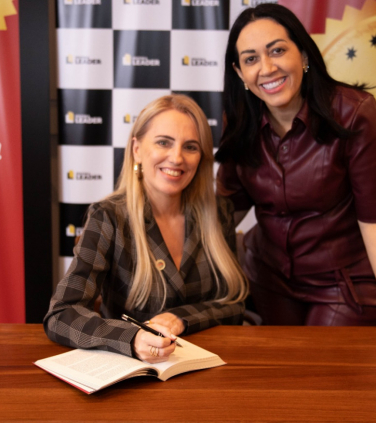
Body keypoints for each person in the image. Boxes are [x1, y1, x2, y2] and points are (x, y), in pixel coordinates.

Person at [215, 3, 376, 332]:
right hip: (268, 279)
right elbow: (226, 209)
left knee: (320, 378)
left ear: (303, 54)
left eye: (278, 51)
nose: (267, 68)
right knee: (279, 378)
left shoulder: (355, 113)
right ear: (240, 73)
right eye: (251, 59)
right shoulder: (240, 120)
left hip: (342, 285)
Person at [44, 94, 248, 363]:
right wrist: (131, 337)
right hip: (136, 372)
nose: (176, 158)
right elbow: (61, 314)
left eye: (190, 147)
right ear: (137, 149)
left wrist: (180, 318)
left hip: (208, 369)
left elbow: (233, 305)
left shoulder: (219, 212)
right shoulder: (108, 216)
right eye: (164, 142)